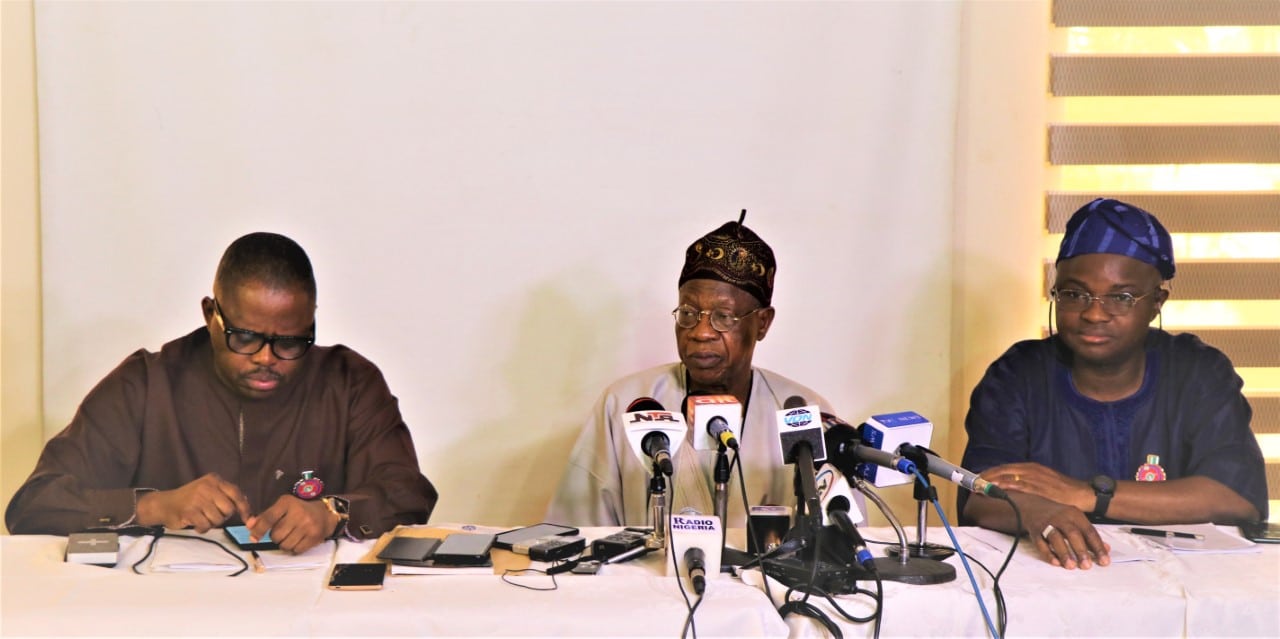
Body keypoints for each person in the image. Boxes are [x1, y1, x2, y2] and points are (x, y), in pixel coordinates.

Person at [6, 232, 437, 552]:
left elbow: (407, 491)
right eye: (245, 338)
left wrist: (333, 512)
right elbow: (34, 505)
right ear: (210, 313)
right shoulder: (147, 384)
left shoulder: (349, 382)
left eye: (291, 342)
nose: (267, 358)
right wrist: (156, 506)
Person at [960, 198, 1267, 570]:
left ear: (1157, 302)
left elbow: (1235, 496)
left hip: (1185, 582)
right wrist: (1037, 511)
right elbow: (980, 496)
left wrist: (1088, 495)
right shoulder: (1018, 374)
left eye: (1121, 297)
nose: (1093, 313)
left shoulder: (1197, 371)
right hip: (1057, 579)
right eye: (1074, 294)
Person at [546, 214, 833, 527]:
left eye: (723, 317)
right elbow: (578, 529)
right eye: (688, 313)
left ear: (762, 323)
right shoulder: (625, 404)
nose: (700, 332)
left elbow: (839, 536)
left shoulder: (802, 414)